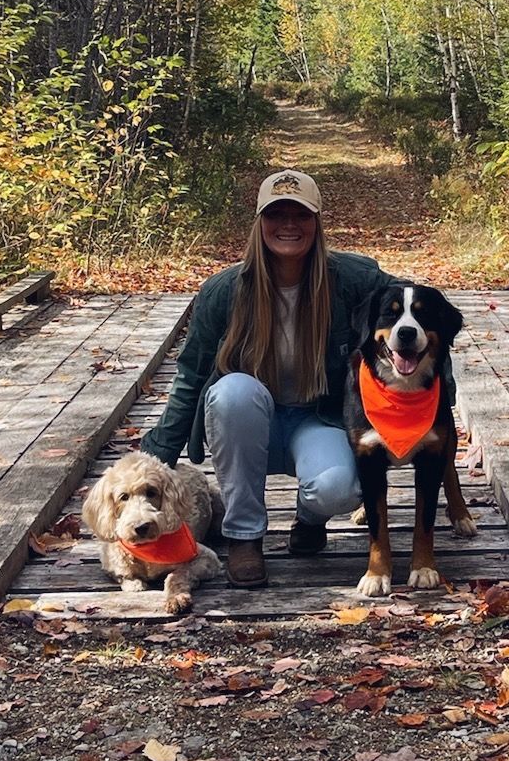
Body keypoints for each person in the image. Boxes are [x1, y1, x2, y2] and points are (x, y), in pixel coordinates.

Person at [136, 168, 390, 588]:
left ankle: (309, 522)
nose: (288, 224)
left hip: (320, 418)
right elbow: (192, 374)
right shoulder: (224, 290)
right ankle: (244, 536)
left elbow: (419, 310)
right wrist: (157, 455)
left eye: (300, 214)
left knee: (339, 489)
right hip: (246, 424)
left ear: (317, 222)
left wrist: (438, 399)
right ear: (259, 223)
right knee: (234, 390)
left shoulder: (354, 280)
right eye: (276, 214)